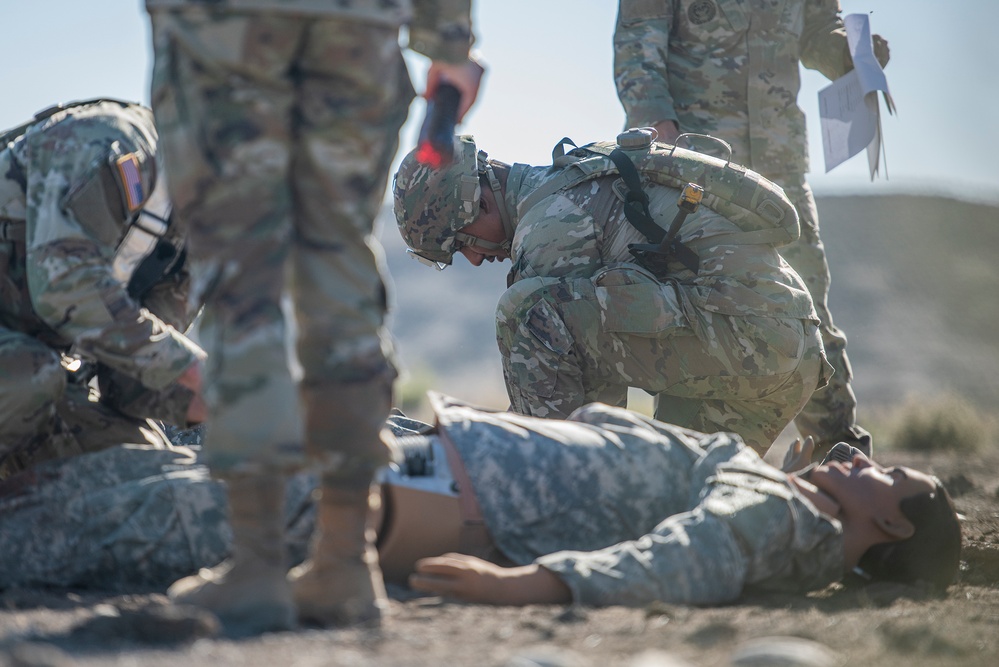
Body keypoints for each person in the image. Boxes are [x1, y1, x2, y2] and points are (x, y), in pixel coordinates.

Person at [144, 0, 484, 635]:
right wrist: (450, 43)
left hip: (225, 32)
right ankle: (344, 560)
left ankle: (256, 565)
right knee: (340, 267)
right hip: (360, 34)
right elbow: (445, 40)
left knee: (244, 279)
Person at [0, 392, 962, 613]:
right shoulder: (783, 494)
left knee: (75, 521)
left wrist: (532, 589)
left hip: (391, 496)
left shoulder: (784, 520)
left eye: (892, 479)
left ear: (889, 525)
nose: (862, 460)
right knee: (91, 486)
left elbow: (684, 554)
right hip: (395, 460)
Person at [393, 130, 831, 455]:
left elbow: (581, 422)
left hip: (742, 341)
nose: (471, 258)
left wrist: (450, 446)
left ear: (479, 201)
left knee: (526, 310)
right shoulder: (576, 181)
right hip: (787, 352)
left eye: (460, 241)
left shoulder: (550, 230)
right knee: (687, 503)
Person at [613, 0, 891, 460]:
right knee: (696, 303)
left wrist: (850, 54)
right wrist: (661, 137)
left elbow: (818, 29)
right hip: (698, 169)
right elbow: (636, 45)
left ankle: (842, 459)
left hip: (778, 167)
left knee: (807, 305)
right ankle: (686, 463)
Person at [0, 98, 206, 480]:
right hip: (24, 372)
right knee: (28, 378)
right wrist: (202, 373)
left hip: (32, 365)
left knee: (147, 478)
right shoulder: (108, 142)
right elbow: (66, 289)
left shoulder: (195, 246)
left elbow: (129, 381)